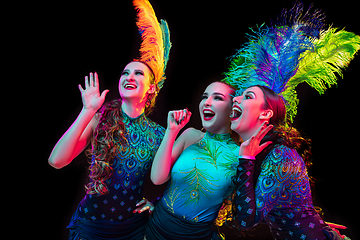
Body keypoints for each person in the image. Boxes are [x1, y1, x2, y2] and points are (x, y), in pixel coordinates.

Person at [222, 2, 359, 239]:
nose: (236, 98)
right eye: (239, 94)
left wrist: (246, 159)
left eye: (248, 96)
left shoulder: (280, 155)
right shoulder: (252, 151)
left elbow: (245, 220)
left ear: (265, 114)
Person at [48, 0, 172, 239]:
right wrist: (87, 111)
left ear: (151, 89)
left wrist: (158, 203)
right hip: (91, 227)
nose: (129, 76)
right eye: (125, 72)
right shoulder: (100, 118)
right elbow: (56, 161)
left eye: (138, 73)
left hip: (132, 230)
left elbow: (175, 179)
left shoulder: (159, 134)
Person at [145, 81, 240, 240]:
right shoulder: (190, 135)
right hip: (156, 229)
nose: (207, 102)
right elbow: (157, 179)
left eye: (217, 98)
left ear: (233, 109)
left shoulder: (240, 154)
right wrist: (172, 131)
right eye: (204, 97)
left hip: (196, 235)